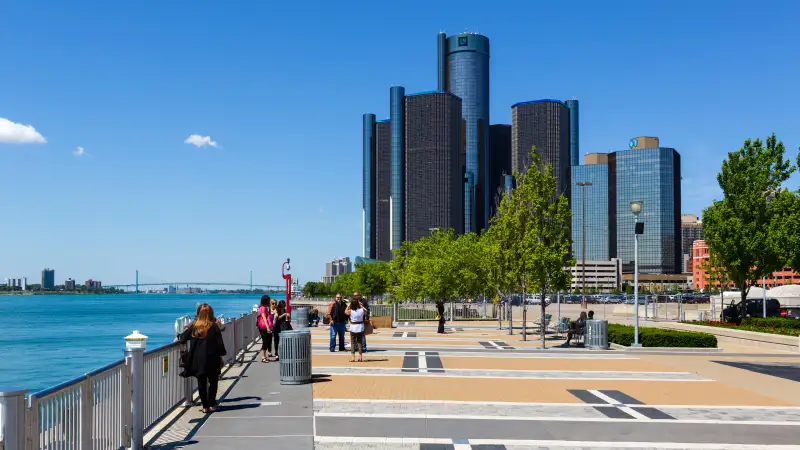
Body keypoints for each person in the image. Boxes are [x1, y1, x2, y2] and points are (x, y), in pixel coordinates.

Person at [179, 303, 227, 413]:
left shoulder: (194, 326)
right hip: (212, 359)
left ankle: (205, 406)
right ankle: (212, 404)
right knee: (213, 381)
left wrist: (181, 335)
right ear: (211, 314)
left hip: (198, 359)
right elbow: (219, 344)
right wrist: (221, 354)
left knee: (201, 382)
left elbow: (182, 338)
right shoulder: (214, 327)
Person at [345, 297, 367, 362]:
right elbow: (366, 310)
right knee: (360, 342)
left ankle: (353, 357)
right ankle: (360, 357)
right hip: (360, 327)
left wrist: (348, 306)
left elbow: (345, 312)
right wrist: (360, 305)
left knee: (353, 343)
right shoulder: (361, 310)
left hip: (353, 327)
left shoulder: (351, 311)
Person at [257, 295, 274, 362]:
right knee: (265, 341)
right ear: (266, 301)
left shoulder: (263, 307)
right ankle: (263, 357)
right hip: (264, 327)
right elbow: (264, 318)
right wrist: (267, 327)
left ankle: (264, 356)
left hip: (263, 327)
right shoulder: (263, 308)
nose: (270, 301)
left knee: (267, 341)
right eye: (269, 300)